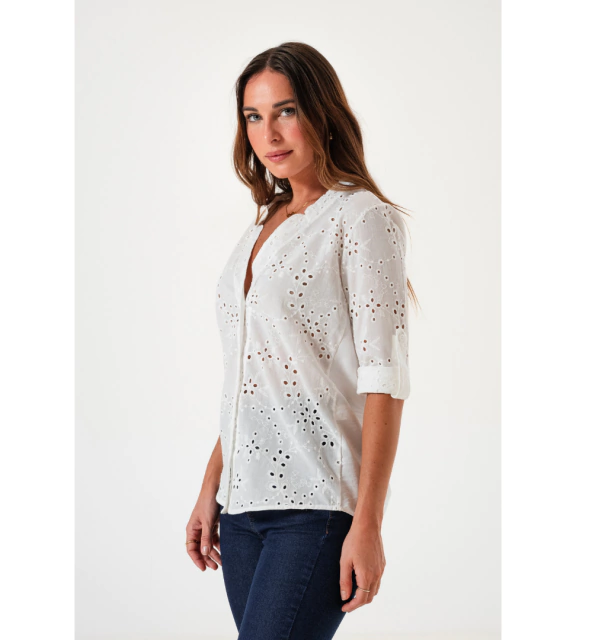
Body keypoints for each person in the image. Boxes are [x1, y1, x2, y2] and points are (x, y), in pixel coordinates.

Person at [185, 42, 418, 640]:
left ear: (321, 111)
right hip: (241, 512)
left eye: (285, 111)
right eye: (253, 116)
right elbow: (254, 378)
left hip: (316, 507)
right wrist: (211, 487)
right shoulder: (262, 224)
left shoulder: (360, 217)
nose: (269, 133)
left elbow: (385, 379)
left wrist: (368, 521)